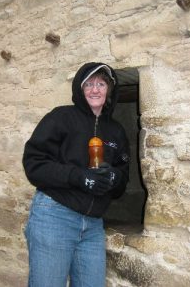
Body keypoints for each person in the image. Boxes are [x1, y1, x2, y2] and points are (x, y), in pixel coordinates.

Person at [22, 62, 130, 287]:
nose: (95, 89)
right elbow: (34, 164)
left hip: (93, 226)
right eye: (88, 84)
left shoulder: (116, 131)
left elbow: (123, 179)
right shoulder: (61, 117)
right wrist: (78, 177)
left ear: (109, 90)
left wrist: (113, 178)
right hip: (54, 216)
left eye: (101, 84)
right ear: (80, 90)